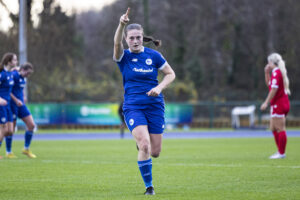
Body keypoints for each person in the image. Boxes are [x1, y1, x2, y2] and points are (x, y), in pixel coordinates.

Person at [113, 8, 176, 195]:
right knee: (145, 145)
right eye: (131, 38)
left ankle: (142, 143)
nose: (134, 41)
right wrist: (121, 25)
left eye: (137, 37)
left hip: (155, 106)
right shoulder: (124, 57)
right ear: (126, 39)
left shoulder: (153, 56)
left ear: (142, 38)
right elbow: (116, 44)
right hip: (133, 106)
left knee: (155, 152)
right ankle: (149, 187)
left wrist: (159, 88)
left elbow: (171, 74)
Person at [260, 53, 291, 159]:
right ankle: (279, 151)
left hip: (279, 104)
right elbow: (270, 85)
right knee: (273, 128)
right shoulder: (276, 72)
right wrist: (266, 73)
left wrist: (266, 102)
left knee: (280, 128)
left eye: (268, 62)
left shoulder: (277, 72)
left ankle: (281, 153)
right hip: (280, 103)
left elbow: (274, 89)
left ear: (272, 62)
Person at [10, 62, 36, 158]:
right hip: (12, 105)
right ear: (23, 70)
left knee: (31, 125)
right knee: (10, 130)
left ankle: (26, 149)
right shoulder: (14, 75)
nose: (28, 75)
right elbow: (7, 90)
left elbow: (21, 89)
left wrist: (24, 96)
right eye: (27, 73)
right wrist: (16, 100)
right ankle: (9, 152)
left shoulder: (23, 78)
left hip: (21, 105)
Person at [0, 52, 16, 159]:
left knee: (10, 130)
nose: (16, 62)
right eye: (15, 60)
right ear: (9, 61)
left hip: (8, 104)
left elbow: (19, 69)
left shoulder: (10, 73)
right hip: (1, 104)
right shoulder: (2, 74)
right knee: (4, 129)